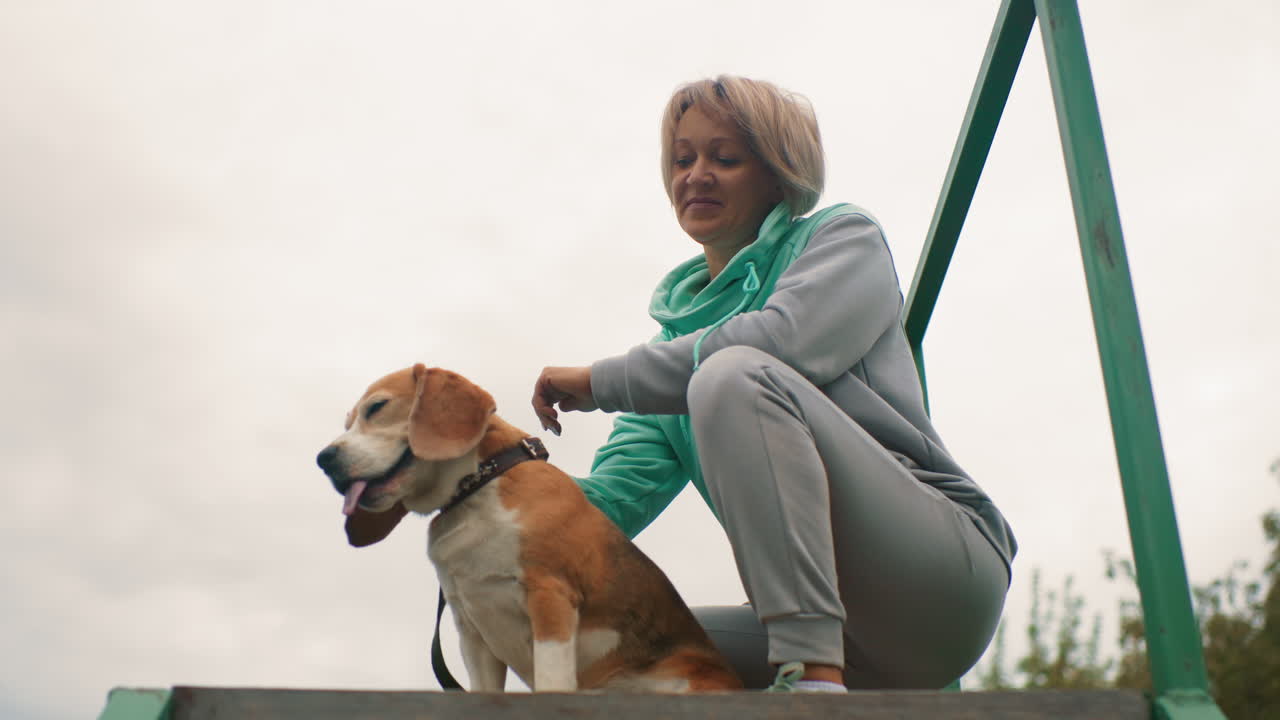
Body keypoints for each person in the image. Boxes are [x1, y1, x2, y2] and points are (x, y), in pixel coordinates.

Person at [531, 75, 1015, 693]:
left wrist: (602, 381)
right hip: (845, 637)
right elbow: (610, 505)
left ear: (778, 173)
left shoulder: (844, 240)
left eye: (724, 157)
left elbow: (778, 343)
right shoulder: (664, 363)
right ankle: (812, 661)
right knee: (611, 656)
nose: (696, 175)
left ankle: (810, 679)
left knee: (729, 377)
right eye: (683, 159)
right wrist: (490, 494)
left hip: (940, 583)